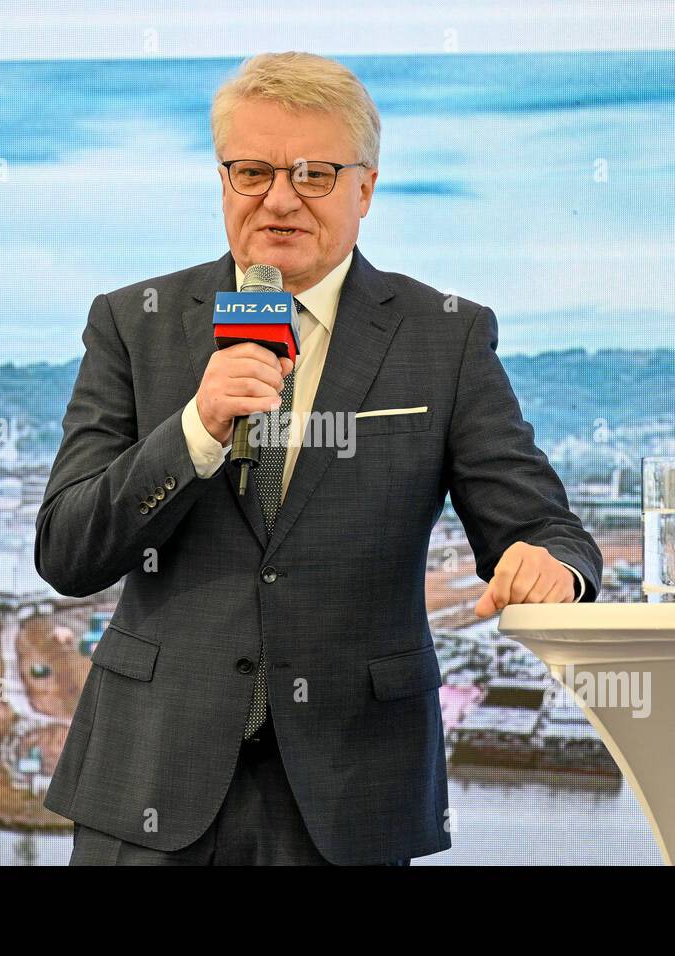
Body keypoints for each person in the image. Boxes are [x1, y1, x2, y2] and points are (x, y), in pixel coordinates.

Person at [36, 51, 602, 865]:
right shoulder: (134, 323)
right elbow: (66, 550)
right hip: (149, 783)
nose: (279, 198)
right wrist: (196, 428)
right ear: (223, 181)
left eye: (313, 174)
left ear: (364, 189)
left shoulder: (444, 337)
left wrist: (552, 567)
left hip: (350, 795)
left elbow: (547, 529)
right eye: (253, 172)